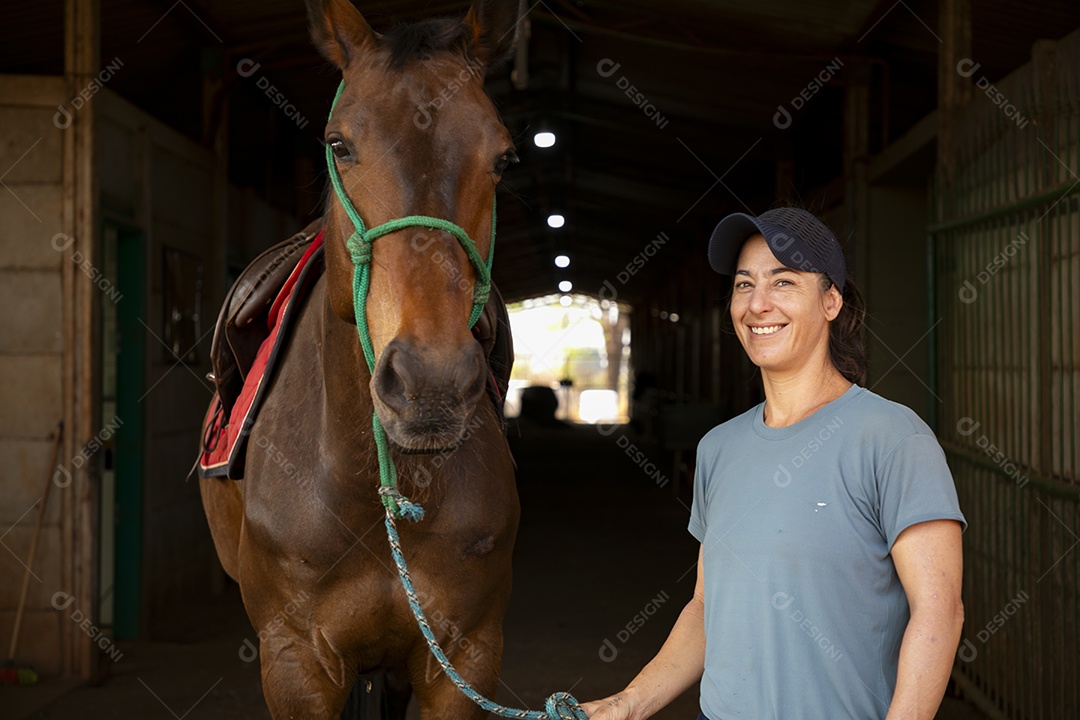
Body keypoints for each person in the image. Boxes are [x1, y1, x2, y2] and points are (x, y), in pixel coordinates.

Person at [582, 207, 966, 720]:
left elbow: (939, 611)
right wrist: (628, 704)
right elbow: (706, 607)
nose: (757, 304)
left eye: (783, 281)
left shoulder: (893, 438)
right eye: (744, 285)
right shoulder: (718, 448)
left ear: (831, 301)